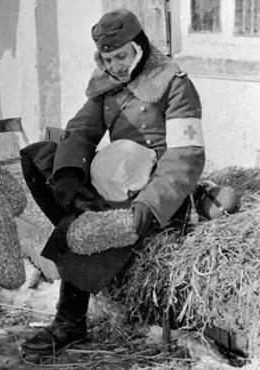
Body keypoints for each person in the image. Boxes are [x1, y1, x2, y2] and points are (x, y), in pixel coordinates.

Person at [20, 9, 205, 356]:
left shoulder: (175, 84)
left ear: (140, 47)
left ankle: (69, 322)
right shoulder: (109, 83)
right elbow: (82, 130)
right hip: (118, 179)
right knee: (41, 156)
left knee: (89, 231)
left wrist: (149, 205)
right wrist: (70, 175)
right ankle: (82, 211)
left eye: (122, 56)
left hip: (159, 194)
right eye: (108, 58)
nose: (116, 66)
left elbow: (186, 158)